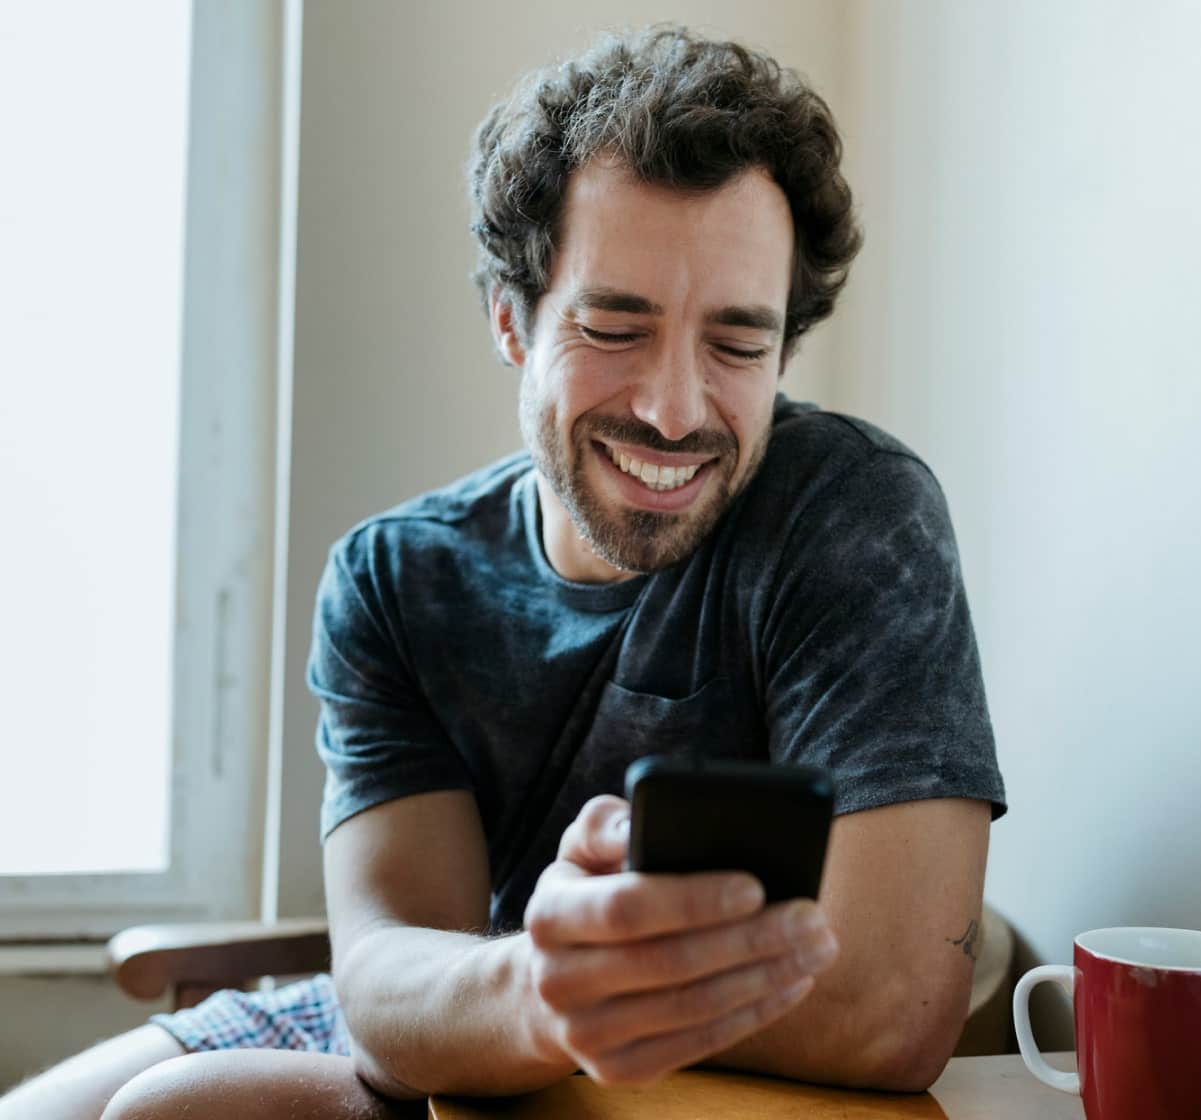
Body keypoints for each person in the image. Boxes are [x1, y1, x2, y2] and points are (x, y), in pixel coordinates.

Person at [1, 25, 1004, 1120]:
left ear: (786, 350)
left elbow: (894, 1002)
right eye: (615, 327)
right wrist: (537, 987)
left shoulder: (853, 514)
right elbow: (385, 994)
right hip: (459, 1016)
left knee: (171, 1110)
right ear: (511, 321)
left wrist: (556, 997)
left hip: (673, 1066)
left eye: (736, 345)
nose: (675, 410)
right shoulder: (394, 580)